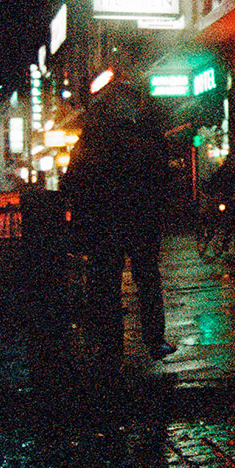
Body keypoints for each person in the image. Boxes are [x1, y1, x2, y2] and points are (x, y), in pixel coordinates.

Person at [61, 70, 176, 363]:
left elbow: (72, 180)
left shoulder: (92, 140)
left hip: (104, 223)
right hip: (140, 220)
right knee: (147, 279)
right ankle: (155, 340)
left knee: (105, 284)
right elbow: (162, 176)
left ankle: (111, 346)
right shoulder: (146, 135)